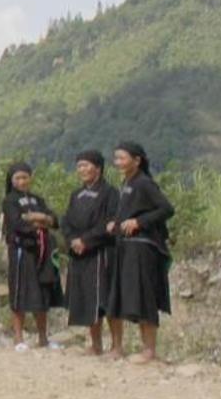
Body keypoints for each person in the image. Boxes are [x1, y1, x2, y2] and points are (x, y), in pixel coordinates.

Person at [107, 142, 175, 364]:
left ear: (137, 160)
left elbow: (166, 209)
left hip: (143, 247)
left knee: (145, 296)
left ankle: (149, 350)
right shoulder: (127, 183)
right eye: (116, 158)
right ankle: (119, 347)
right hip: (126, 246)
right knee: (126, 296)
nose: (118, 163)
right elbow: (128, 213)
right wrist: (116, 224)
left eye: (122, 158)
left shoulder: (145, 183)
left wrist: (139, 221)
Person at [63, 149, 120, 357]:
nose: (82, 170)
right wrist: (72, 240)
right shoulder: (75, 195)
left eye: (86, 165)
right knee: (88, 299)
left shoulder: (110, 193)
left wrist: (87, 241)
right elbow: (66, 221)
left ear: (98, 168)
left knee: (107, 299)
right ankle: (95, 345)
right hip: (79, 254)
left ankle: (116, 346)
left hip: (101, 252)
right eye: (79, 166)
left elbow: (110, 222)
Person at [2, 162, 63, 350]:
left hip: (42, 251)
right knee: (19, 291)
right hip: (21, 250)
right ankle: (18, 338)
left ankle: (43, 338)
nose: (22, 181)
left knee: (42, 292)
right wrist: (39, 220)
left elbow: (54, 220)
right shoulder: (9, 200)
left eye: (25, 177)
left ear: (30, 178)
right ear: (12, 181)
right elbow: (16, 223)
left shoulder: (38, 199)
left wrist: (39, 218)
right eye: (18, 178)